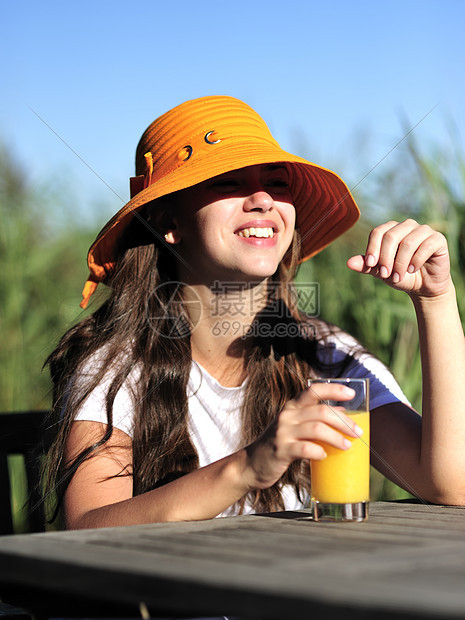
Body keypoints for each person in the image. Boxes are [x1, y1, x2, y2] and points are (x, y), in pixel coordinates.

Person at [45, 95, 465, 532]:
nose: (263, 199)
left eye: (277, 183)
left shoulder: (325, 355)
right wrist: (249, 466)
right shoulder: (117, 364)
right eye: (228, 181)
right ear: (169, 221)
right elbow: (87, 527)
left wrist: (435, 301)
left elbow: (452, 487)